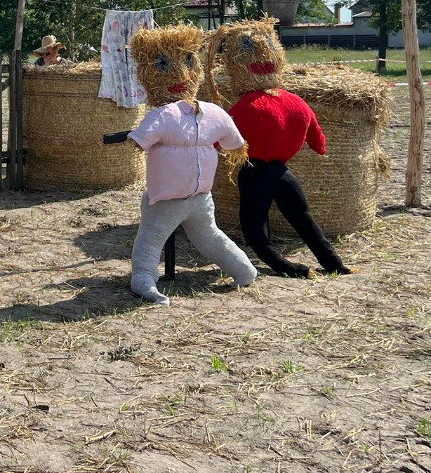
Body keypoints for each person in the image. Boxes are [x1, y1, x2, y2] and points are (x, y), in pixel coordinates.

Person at [205, 18, 358, 277]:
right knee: (304, 220)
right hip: (283, 174)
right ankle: (335, 264)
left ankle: (291, 268)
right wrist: (320, 148)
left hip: (254, 173)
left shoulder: (246, 107)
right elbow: (317, 138)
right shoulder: (297, 102)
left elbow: (220, 138)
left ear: (238, 66)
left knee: (254, 230)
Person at [126, 24, 259, 306]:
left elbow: (139, 142)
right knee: (210, 238)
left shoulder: (162, 115)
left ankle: (143, 280)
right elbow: (237, 146)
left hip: (169, 198)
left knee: (151, 240)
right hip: (200, 197)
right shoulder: (215, 112)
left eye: (189, 60)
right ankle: (244, 270)